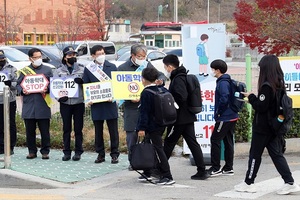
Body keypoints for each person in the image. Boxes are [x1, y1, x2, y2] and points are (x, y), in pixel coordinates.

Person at [234, 55, 300, 195]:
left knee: (255, 155)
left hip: (263, 128)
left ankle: (249, 183)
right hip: (274, 126)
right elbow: (270, 105)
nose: (259, 71)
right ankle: (289, 182)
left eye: (261, 68)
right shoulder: (279, 83)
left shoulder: (266, 86)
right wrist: (255, 99)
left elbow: (261, 107)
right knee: (276, 155)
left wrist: (251, 97)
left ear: (266, 69)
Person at [118, 43, 166, 170]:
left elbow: (160, 74)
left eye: (144, 56)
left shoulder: (147, 65)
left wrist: (160, 80)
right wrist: (129, 98)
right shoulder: (122, 68)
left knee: (148, 135)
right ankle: (132, 161)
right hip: (131, 107)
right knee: (131, 136)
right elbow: (118, 88)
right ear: (132, 55)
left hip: (146, 106)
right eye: (139, 56)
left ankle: (148, 161)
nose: (142, 58)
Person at [162, 54, 209, 180]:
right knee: (193, 143)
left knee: (169, 142)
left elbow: (181, 96)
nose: (165, 69)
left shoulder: (178, 79)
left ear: (170, 67)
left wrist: (170, 98)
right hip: (188, 116)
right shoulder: (182, 76)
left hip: (178, 118)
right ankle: (202, 170)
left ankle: (161, 169)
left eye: (165, 67)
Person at [136, 67, 175, 185]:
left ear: (143, 79)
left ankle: (167, 175)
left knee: (158, 149)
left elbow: (144, 113)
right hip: (162, 123)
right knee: (151, 147)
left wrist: (141, 128)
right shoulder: (161, 89)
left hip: (152, 126)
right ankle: (149, 171)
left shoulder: (146, 93)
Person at [82, 45, 120, 164]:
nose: (101, 56)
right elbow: (85, 85)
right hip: (96, 104)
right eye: (98, 54)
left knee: (113, 130)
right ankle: (100, 154)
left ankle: (114, 154)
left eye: (103, 53)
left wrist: (113, 96)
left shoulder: (112, 67)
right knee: (98, 131)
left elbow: (116, 84)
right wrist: (88, 98)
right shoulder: (89, 69)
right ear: (93, 56)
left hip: (110, 103)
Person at [16, 48, 53, 159]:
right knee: (30, 131)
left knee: (45, 131)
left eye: (40, 57)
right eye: (36, 57)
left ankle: (45, 151)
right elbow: (18, 85)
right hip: (29, 105)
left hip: (43, 104)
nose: (38, 59)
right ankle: (32, 151)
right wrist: (22, 90)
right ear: (30, 58)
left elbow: (54, 85)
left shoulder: (47, 70)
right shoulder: (24, 71)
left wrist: (47, 89)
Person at [206, 59, 238, 176]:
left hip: (225, 117)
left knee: (215, 140)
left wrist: (219, 112)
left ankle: (216, 168)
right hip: (232, 116)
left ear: (218, 70)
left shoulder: (222, 82)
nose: (212, 71)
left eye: (213, 69)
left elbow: (224, 98)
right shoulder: (228, 80)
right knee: (228, 141)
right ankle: (228, 167)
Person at [54, 46, 85, 161]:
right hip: (65, 103)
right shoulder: (58, 70)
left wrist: (82, 82)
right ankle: (66, 151)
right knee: (66, 128)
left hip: (78, 102)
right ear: (65, 57)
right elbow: (55, 86)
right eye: (70, 55)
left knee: (78, 129)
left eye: (74, 55)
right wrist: (58, 98)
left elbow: (87, 84)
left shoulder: (82, 69)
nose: (72, 57)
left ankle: (78, 151)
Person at [0, 50, 17, 155]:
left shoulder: (11, 69)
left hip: (9, 100)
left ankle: (10, 146)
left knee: (10, 124)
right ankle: (1, 146)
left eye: (2, 58)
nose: (1, 60)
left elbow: (17, 83)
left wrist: (10, 84)